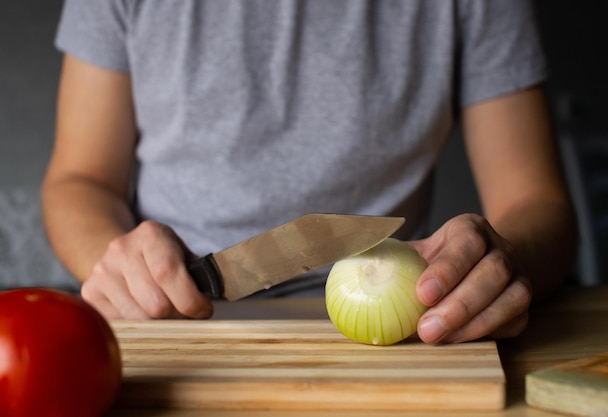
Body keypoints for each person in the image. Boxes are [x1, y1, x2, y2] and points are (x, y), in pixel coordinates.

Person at [42, 0, 577, 345]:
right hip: (169, 326)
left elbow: (536, 204)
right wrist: (119, 269)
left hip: (403, 333)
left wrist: (501, 260)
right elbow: (80, 182)